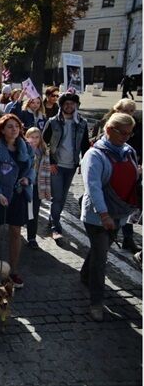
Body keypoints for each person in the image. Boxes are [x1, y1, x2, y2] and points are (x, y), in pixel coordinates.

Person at [80, 113, 139, 321]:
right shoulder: (94, 155)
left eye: (129, 133)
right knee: (101, 259)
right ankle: (96, 302)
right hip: (98, 217)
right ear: (108, 130)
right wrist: (104, 215)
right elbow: (93, 188)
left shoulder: (128, 151)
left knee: (99, 251)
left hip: (120, 214)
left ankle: (85, 274)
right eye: (122, 132)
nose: (126, 137)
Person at [0, 114, 34, 288]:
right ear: (2, 130)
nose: (14, 129)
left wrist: (28, 179)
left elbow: (32, 168)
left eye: (17, 126)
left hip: (18, 195)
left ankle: (13, 271)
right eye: (10, 126)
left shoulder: (26, 148)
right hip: (0, 196)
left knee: (16, 232)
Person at [42, 92, 90, 240]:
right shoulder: (53, 122)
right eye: (66, 104)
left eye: (72, 104)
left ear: (76, 105)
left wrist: (84, 163)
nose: (69, 106)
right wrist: (51, 162)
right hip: (56, 165)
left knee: (62, 198)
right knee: (57, 197)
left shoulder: (82, 123)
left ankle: (52, 219)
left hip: (72, 166)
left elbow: (85, 145)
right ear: (61, 106)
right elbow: (44, 143)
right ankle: (56, 226)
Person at [24, 127, 51, 249]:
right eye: (31, 137)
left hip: (36, 186)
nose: (34, 140)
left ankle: (32, 238)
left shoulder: (44, 152)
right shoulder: (23, 149)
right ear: (26, 137)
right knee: (22, 211)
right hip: (24, 185)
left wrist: (46, 190)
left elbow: (46, 173)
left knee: (33, 213)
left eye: (36, 137)